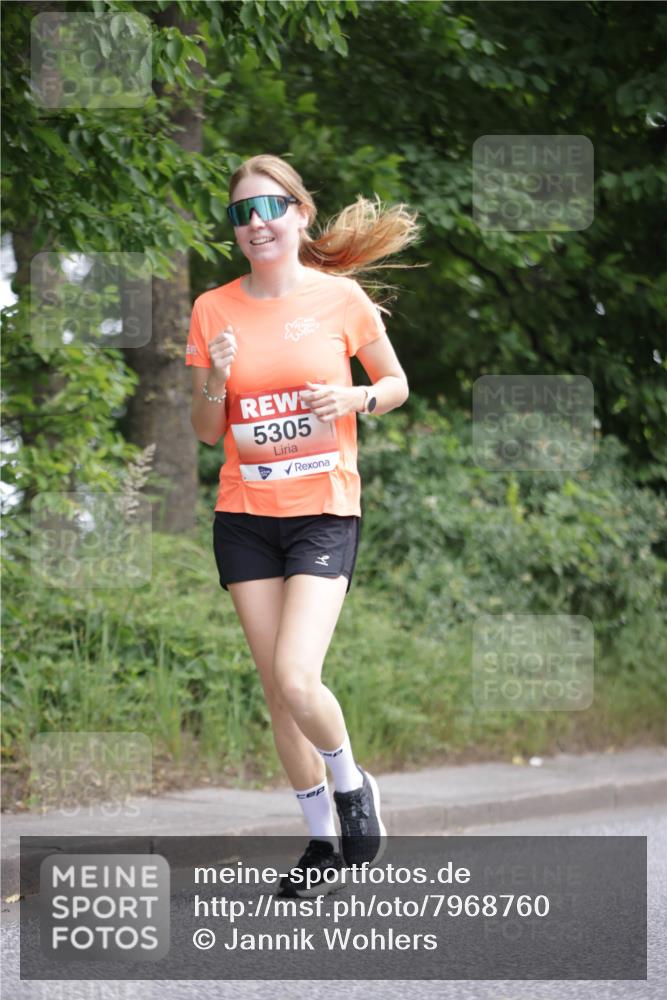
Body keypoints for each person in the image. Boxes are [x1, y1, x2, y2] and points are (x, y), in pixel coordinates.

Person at [185, 154, 419, 898]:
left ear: (299, 214)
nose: (256, 224)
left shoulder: (341, 299)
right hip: (245, 518)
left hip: (322, 510)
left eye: (269, 208)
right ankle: (321, 840)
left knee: (297, 674)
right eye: (241, 214)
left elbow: (396, 383)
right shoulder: (211, 309)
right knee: (274, 688)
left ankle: (352, 789)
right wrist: (217, 378)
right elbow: (201, 429)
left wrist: (354, 402)